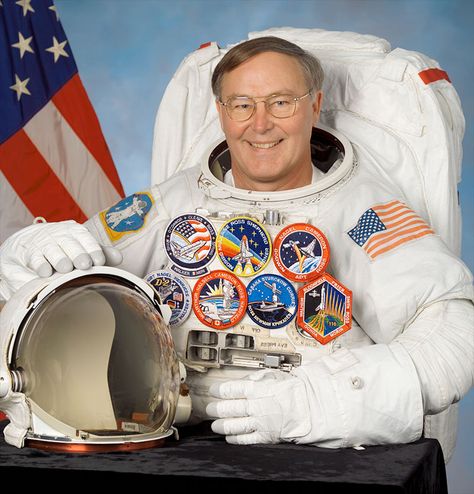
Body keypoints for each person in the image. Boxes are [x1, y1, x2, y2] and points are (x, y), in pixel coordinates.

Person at [0, 37, 472, 458]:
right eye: (241, 104)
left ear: (315, 105)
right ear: (222, 111)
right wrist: (28, 250)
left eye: (281, 102)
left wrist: (326, 402)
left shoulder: (363, 212)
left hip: (311, 452)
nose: (260, 124)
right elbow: (67, 273)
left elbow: (454, 328)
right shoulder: (174, 202)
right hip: (171, 438)